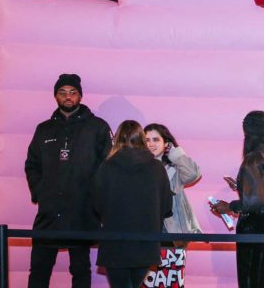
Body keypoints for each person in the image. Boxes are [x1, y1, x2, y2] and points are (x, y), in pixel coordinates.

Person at [24, 73, 112, 288]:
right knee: (39, 269)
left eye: (73, 92)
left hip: (81, 212)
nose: (68, 96)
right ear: (56, 96)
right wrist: (40, 192)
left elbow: (107, 167)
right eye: (62, 92)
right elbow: (32, 165)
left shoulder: (97, 127)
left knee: (80, 269)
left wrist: (94, 199)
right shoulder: (43, 129)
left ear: (80, 96)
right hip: (48, 213)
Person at [209, 110, 264, 288]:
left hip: (256, 223)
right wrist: (241, 186)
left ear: (247, 132)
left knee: (251, 276)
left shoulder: (253, 158)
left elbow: (256, 201)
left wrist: (229, 207)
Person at [92, 120, 173, 288]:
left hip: (114, 241)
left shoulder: (106, 167)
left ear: (117, 139)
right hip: (146, 242)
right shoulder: (157, 168)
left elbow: (96, 204)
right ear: (142, 139)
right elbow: (166, 207)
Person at [145, 123, 203, 235]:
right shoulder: (138, 167)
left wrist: (177, 155)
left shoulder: (175, 168)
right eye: (147, 140)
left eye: (156, 140)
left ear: (166, 143)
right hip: (146, 225)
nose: (151, 144)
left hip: (172, 227)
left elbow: (193, 174)